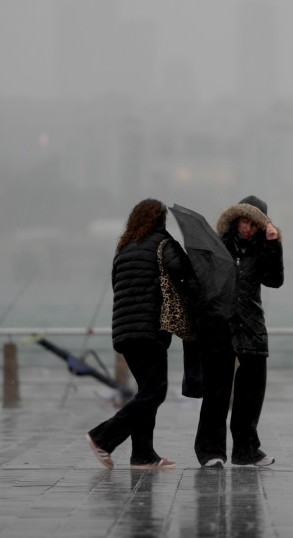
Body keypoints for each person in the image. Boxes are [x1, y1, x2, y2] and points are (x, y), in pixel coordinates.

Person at [86, 198, 197, 470]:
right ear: (160, 220)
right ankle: (102, 437)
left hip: (125, 331)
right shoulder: (163, 243)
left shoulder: (123, 248)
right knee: (155, 392)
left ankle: (143, 455)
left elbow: (118, 286)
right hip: (150, 330)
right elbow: (186, 273)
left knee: (146, 392)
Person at [194, 195, 284, 468]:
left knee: (251, 395)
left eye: (254, 224)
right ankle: (210, 451)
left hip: (252, 327)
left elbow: (275, 280)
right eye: (244, 221)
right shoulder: (218, 246)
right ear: (236, 220)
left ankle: (246, 451)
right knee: (216, 393)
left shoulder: (263, 248)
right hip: (219, 326)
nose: (248, 228)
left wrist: (274, 244)